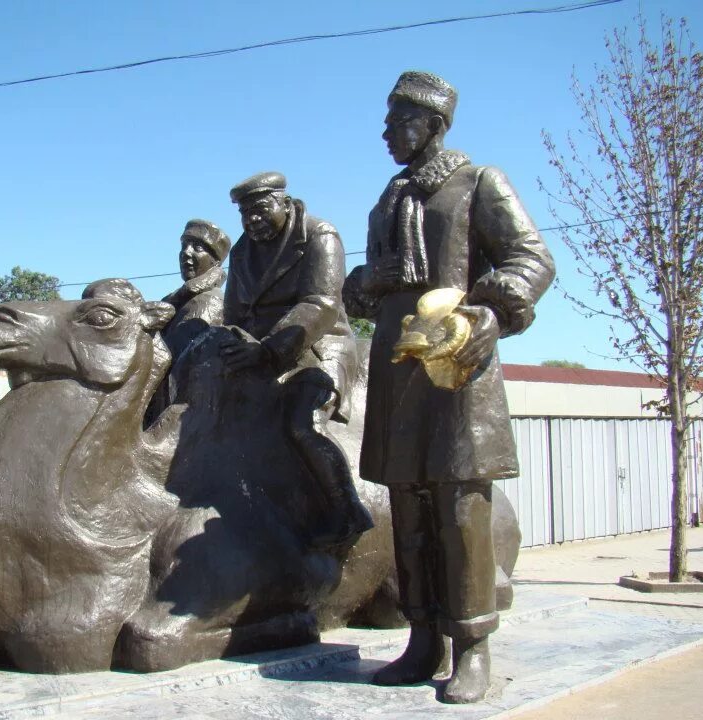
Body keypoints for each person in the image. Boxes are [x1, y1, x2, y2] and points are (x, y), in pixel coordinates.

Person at [343, 71, 555, 703]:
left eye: (397, 121)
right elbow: (363, 291)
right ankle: (422, 639)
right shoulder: (387, 200)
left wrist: (494, 314)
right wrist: (364, 282)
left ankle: (472, 645)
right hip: (398, 364)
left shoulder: (477, 183)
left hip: (458, 362)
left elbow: (531, 258)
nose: (386, 133)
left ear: (432, 124)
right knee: (408, 504)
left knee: (462, 506)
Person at [220, 171, 373, 546]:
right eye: (244, 214)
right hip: (260, 349)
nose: (251, 220)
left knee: (302, 421)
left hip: (316, 346)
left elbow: (319, 304)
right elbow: (234, 313)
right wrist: (233, 344)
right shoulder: (242, 252)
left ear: (284, 203)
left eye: (259, 209)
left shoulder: (320, 235)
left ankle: (346, 510)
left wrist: (269, 350)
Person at [160, 219, 231, 359]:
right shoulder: (175, 301)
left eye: (197, 248)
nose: (186, 253)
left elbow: (175, 356)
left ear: (215, 261)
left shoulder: (209, 300)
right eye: (183, 246)